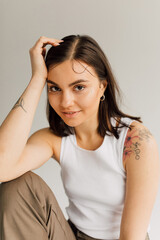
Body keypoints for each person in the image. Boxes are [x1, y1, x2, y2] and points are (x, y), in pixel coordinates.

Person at [0, 35, 159, 240]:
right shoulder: (55, 139)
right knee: (16, 185)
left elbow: (132, 237)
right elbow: (3, 167)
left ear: (102, 86)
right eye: (55, 88)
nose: (66, 102)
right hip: (72, 235)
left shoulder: (136, 141)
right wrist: (37, 79)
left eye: (79, 87)